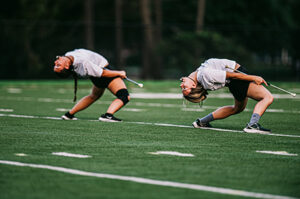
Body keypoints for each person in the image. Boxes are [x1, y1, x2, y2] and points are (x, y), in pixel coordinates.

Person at [180, 58, 274, 133]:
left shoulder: (198, 74)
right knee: (267, 97)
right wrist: (254, 77)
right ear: (193, 85)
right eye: (185, 88)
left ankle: (201, 122)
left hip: (234, 81)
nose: (181, 85)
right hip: (237, 77)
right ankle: (253, 125)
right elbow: (233, 75)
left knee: (237, 108)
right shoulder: (205, 74)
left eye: (182, 87)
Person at [53, 48, 130, 122]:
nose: (55, 63)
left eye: (55, 65)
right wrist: (119, 73)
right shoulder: (83, 63)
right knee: (124, 96)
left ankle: (69, 115)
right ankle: (108, 115)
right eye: (58, 66)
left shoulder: (68, 55)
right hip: (104, 72)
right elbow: (102, 73)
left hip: (97, 76)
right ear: (66, 66)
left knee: (93, 96)